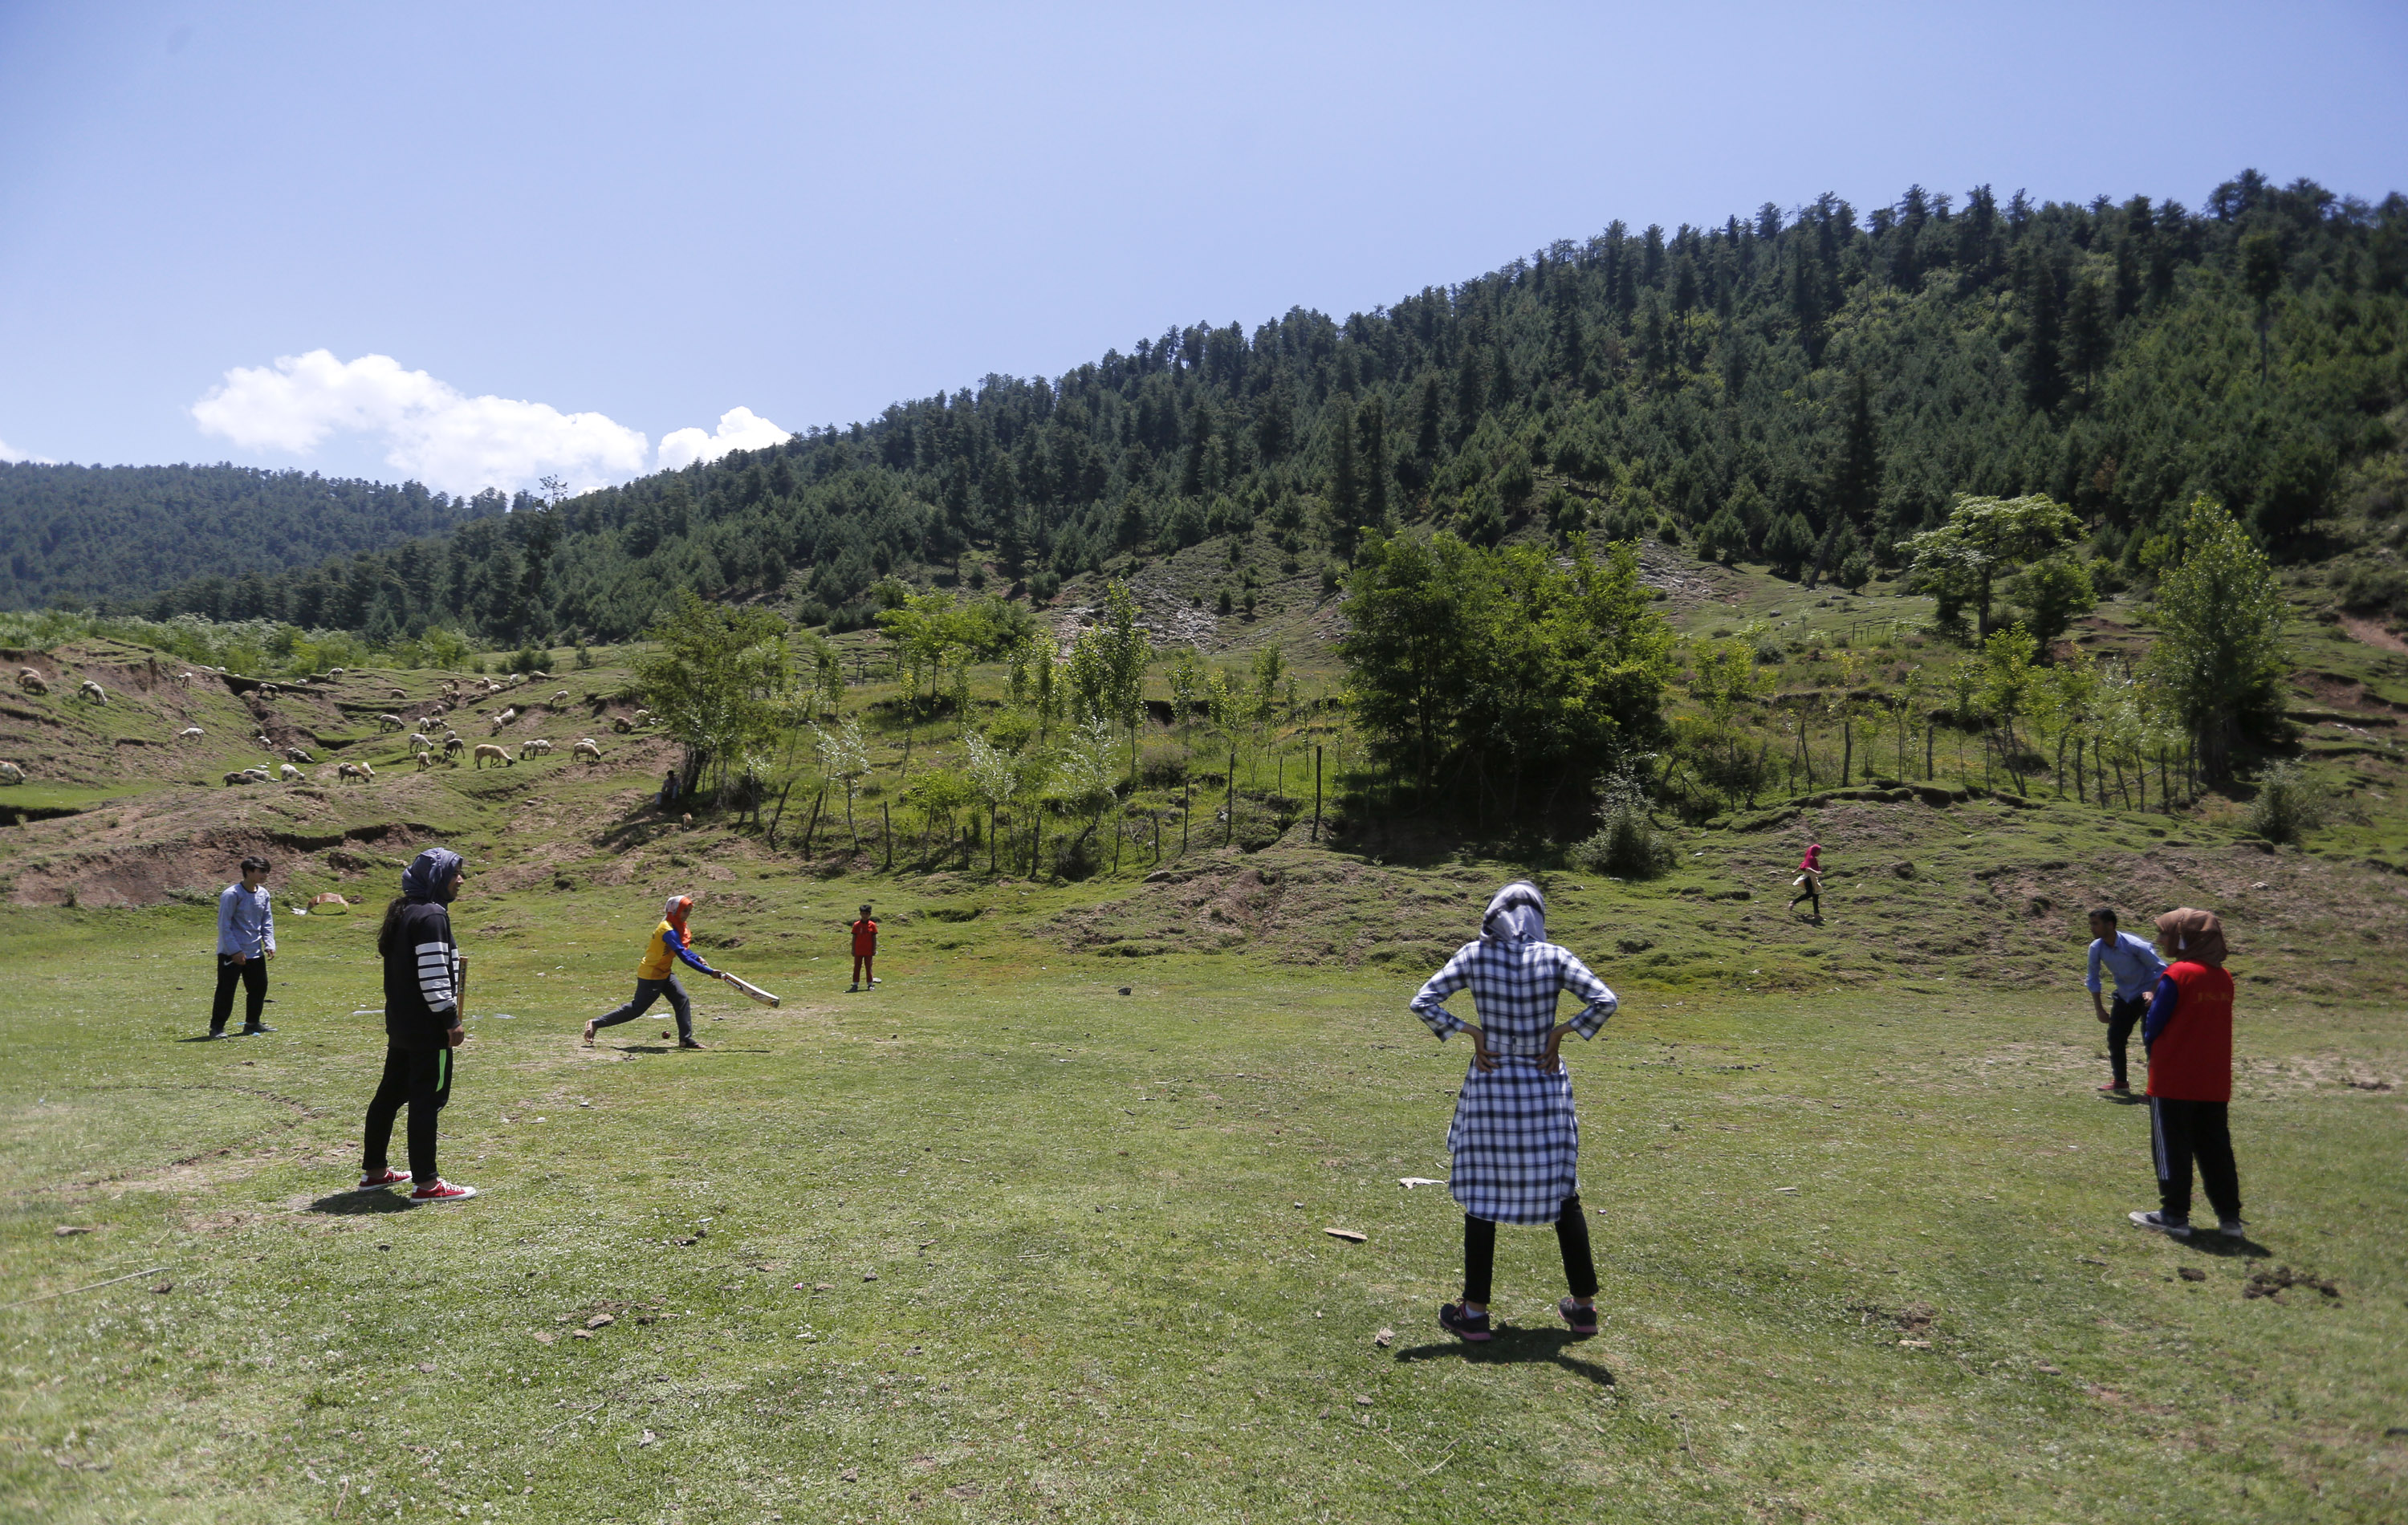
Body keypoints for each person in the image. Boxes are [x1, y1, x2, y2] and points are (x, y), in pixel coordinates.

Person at [1409, 881, 1617, 1342]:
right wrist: (1563, 1031)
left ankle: (1475, 1312)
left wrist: (1472, 1033)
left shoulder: (1474, 956)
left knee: (1482, 1193)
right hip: (1544, 1086)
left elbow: (1422, 1001)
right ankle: (1583, 1308)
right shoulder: (1556, 957)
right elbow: (1606, 1000)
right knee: (1564, 1192)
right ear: (1538, 917)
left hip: (1492, 1084)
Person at [360, 848, 476, 1202]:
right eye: (455, 872)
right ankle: (427, 1183)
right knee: (428, 1100)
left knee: (390, 1096)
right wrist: (450, 1019)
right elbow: (432, 977)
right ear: (436, 877)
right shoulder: (431, 917)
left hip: (403, 1025)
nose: (461, 879)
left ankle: (375, 1172)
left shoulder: (406, 912)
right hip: (428, 1029)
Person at [2129, 907, 2245, 1241]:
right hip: (2214, 1080)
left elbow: (2154, 1027)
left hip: (2174, 1079)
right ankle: (2230, 1219)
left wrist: (2150, 1008)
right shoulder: (2223, 977)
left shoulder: (2178, 974)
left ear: (2183, 938)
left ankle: (2174, 1216)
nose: (2160, 939)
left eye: (2165, 933)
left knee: (2172, 1148)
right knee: (2216, 1149)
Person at [584, 894, 724, 1050]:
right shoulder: (667, 929)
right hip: (651, 974)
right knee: (637, 1009)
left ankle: (686, 1039)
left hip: (664, 971)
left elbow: (684, 950)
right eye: (685, 911)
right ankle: (595, 1023)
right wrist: (708, 972)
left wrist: (697, 958)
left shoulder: (678, 927)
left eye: (689, 911)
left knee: (681, 999)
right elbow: (682, 956)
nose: (687, 915)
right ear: (674, 911)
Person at [2085, 907, 2166, 1096]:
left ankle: (2155, 1090)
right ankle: (2120, 1082)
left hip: (2146, 995)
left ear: (2110, 925)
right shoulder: (2096, 948)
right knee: (2115, 1038)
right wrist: (2099, 1009)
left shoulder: (2135, 945)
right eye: (2091, 924)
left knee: (2150, 1042)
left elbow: (2161, 969)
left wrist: (2152, 992)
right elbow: (2093, 978)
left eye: (2095, 924)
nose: (2092, 928)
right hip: (2125, 995)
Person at [209, 856, 276, 1037]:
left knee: (259, 988)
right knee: (226, 990)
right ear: (248, 871)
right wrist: (235, 951)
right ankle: (217, 1028)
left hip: (255, 951)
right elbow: (224, 925)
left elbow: (266, 921)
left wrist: (269, 943)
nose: (265, 875)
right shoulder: (232, 894)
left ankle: (252, 1023)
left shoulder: (263, 894)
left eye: (266, 871)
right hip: (232, 953)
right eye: (261, 871)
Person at [1788, 843, 1824, 917]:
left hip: (1812, 878)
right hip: (1809, 878)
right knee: (1810, 894)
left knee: (1816, 895)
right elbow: (1808, 868)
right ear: (1815, 851)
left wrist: (1795, 871)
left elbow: (1802, 864)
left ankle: (1816, 913)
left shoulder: (1810, 858)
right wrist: (1816, 872)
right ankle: (1793, 902)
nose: (1819, 853)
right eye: (1818, 852)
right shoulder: (1812, 858)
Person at [849, 903, 879, 992]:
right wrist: (853, 949)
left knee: (868, 967)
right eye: (863, 914)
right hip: (858, 950)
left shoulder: (872, 925)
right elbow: (854, 938)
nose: (864, 916)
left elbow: (874, 938)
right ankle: (855, 984)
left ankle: (870, 984)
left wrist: (874, 949)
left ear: (869, 914)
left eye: (866, 914)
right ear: (860, 914)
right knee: (857, 967)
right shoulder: (856, 925)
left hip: (868, 951)